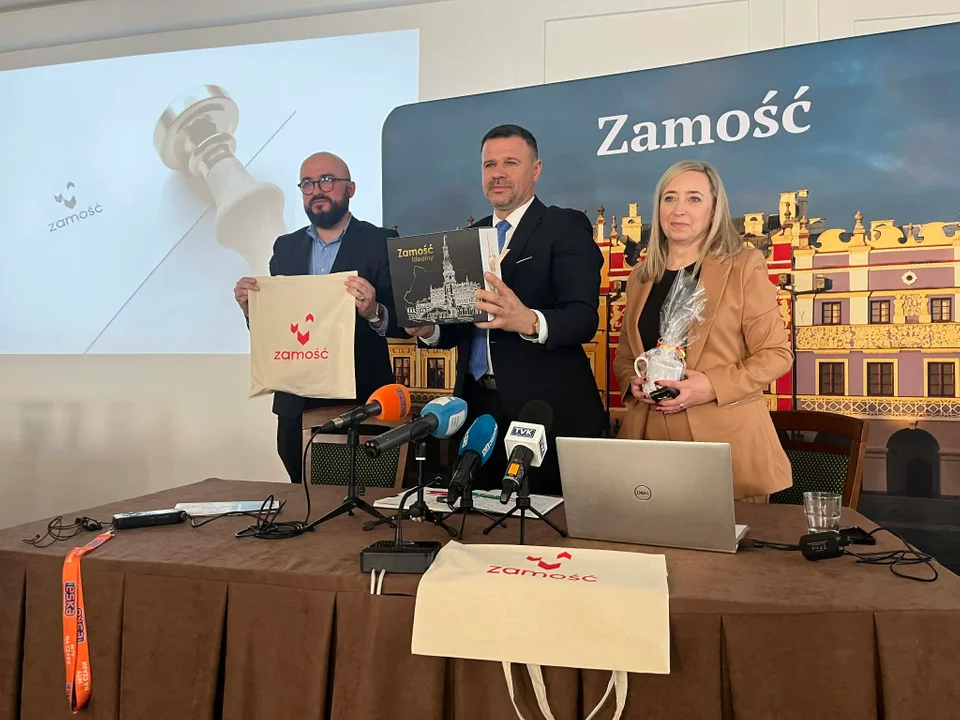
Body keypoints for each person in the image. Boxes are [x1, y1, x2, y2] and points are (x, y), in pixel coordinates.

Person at [407, 124, 608, 496]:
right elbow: (460, 326)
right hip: (477, 409)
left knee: (545, 522)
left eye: (510, 163)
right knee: (474, 519)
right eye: (489, 165)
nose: (497, 173)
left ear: (536, 169)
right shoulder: (467, 237)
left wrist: (528, 320)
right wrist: (429, 330)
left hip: (545, 411)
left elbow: (583, 317)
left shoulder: (563, 226)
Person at [612, 160, 793, 501]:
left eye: (693, 199)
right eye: (669, 198)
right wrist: (631, 381)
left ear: (713, 210)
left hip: (725, 446)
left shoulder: (743, 266)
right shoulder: (640, 277)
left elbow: (776, 355)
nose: (678, 209)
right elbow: (625, 356)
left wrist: (711, 386)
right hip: (647, 444)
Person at [234, 152, 400, 483]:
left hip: (358, 400)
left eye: (326, 180)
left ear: (350, 188)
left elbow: (405, 324)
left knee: (359, 496)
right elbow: (278, 325)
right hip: (296, 405)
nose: (316, 190)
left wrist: (375, 312)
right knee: (301, 494)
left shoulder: (381, 242)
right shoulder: (285, 248)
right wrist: (253, 310)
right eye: (307, 184)